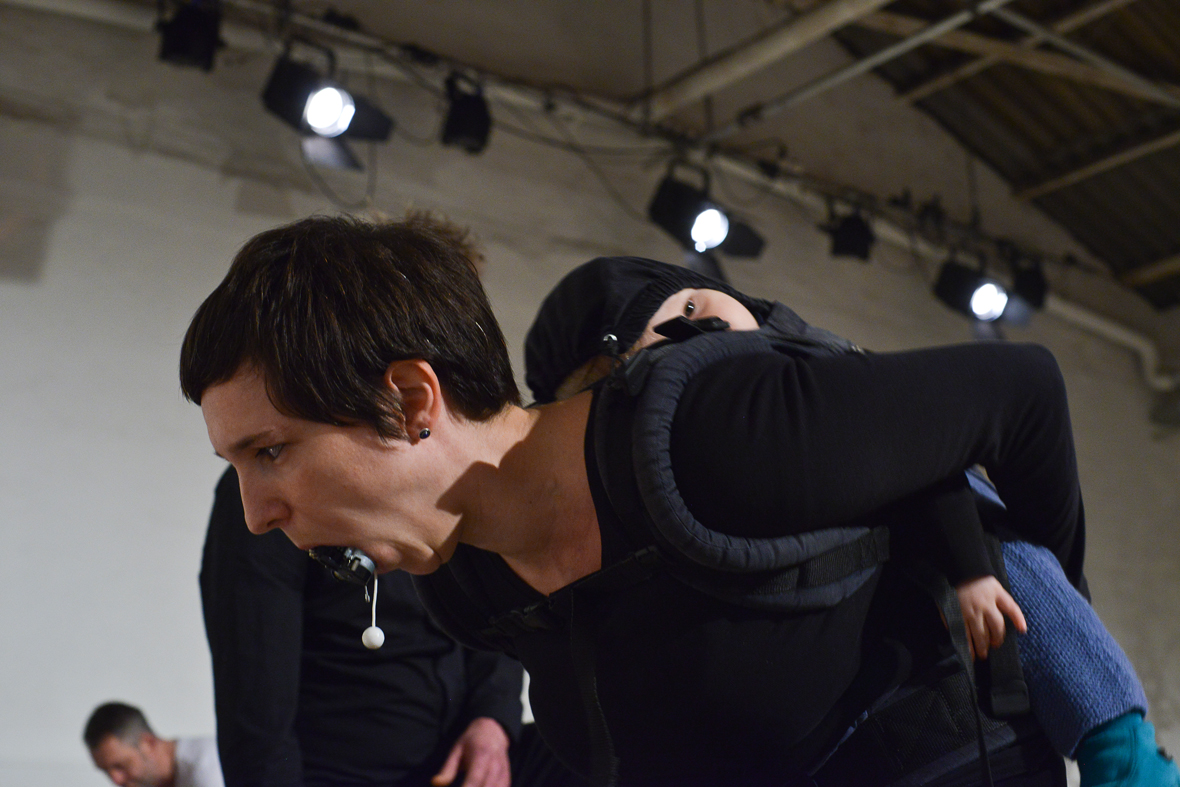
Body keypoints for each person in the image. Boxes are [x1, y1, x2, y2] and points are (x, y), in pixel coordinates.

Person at [175, 214, 1128, 786]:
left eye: (271, 451)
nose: (255, 511)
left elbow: (1022, 394)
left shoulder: (708, 433)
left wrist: (1053, 643)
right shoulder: (467, 583)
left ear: (411, 400)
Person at [520, 254, 1179, 786]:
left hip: (953, 587)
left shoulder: (809, 375)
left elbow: (940, 465)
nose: (703, 327)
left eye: (691, 309)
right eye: (664, 339)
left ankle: (1120, 747)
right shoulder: (679, 465)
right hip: (868, 703)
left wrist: (973, 571)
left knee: (1008, 553)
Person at [202, 466, 564, 787]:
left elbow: (491, 617)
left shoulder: (447, 475)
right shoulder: (264, 504)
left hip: (460, 759)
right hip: (340, 775)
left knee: (586, 747)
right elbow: (255, 719)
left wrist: (492, 722)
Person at [84, 702, 224, 787]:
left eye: (120, 765)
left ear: (148, 743)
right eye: (106, 771)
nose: (116, 780)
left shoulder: (209, 771)